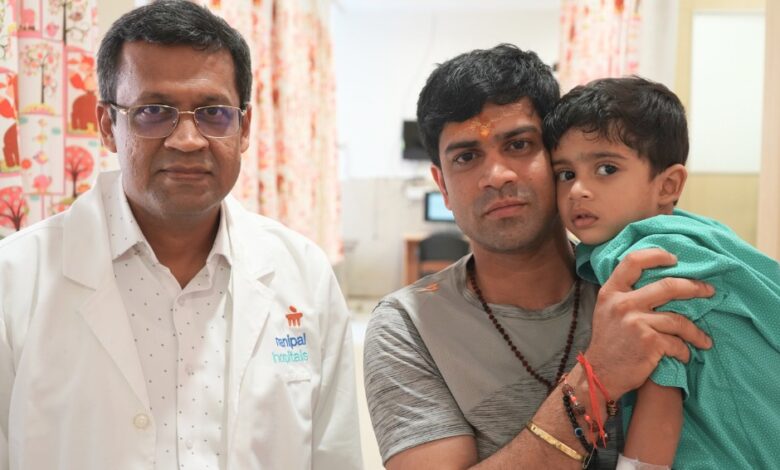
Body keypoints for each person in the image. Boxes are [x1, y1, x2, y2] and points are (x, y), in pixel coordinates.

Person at [0, 2, 361, 469]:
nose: (188, 140)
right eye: (153, 111)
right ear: (108, 126)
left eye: (214, 113)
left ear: (244, 127)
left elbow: (335, 456)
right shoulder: (14, 279)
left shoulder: (303, 275)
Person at [363, 44, 714, 470]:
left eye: (518, 144)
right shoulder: (409, 327)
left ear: (557, 154)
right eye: (467, 157)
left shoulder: (645, 282)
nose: (497, 176)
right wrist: (597, 376)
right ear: (443, 185)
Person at [543, 76, 780, 469]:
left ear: (668, 185)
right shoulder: (700, 232)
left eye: (606, 168)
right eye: (565, 174)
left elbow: (661, 399)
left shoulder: (644, 259)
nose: (578, 190)